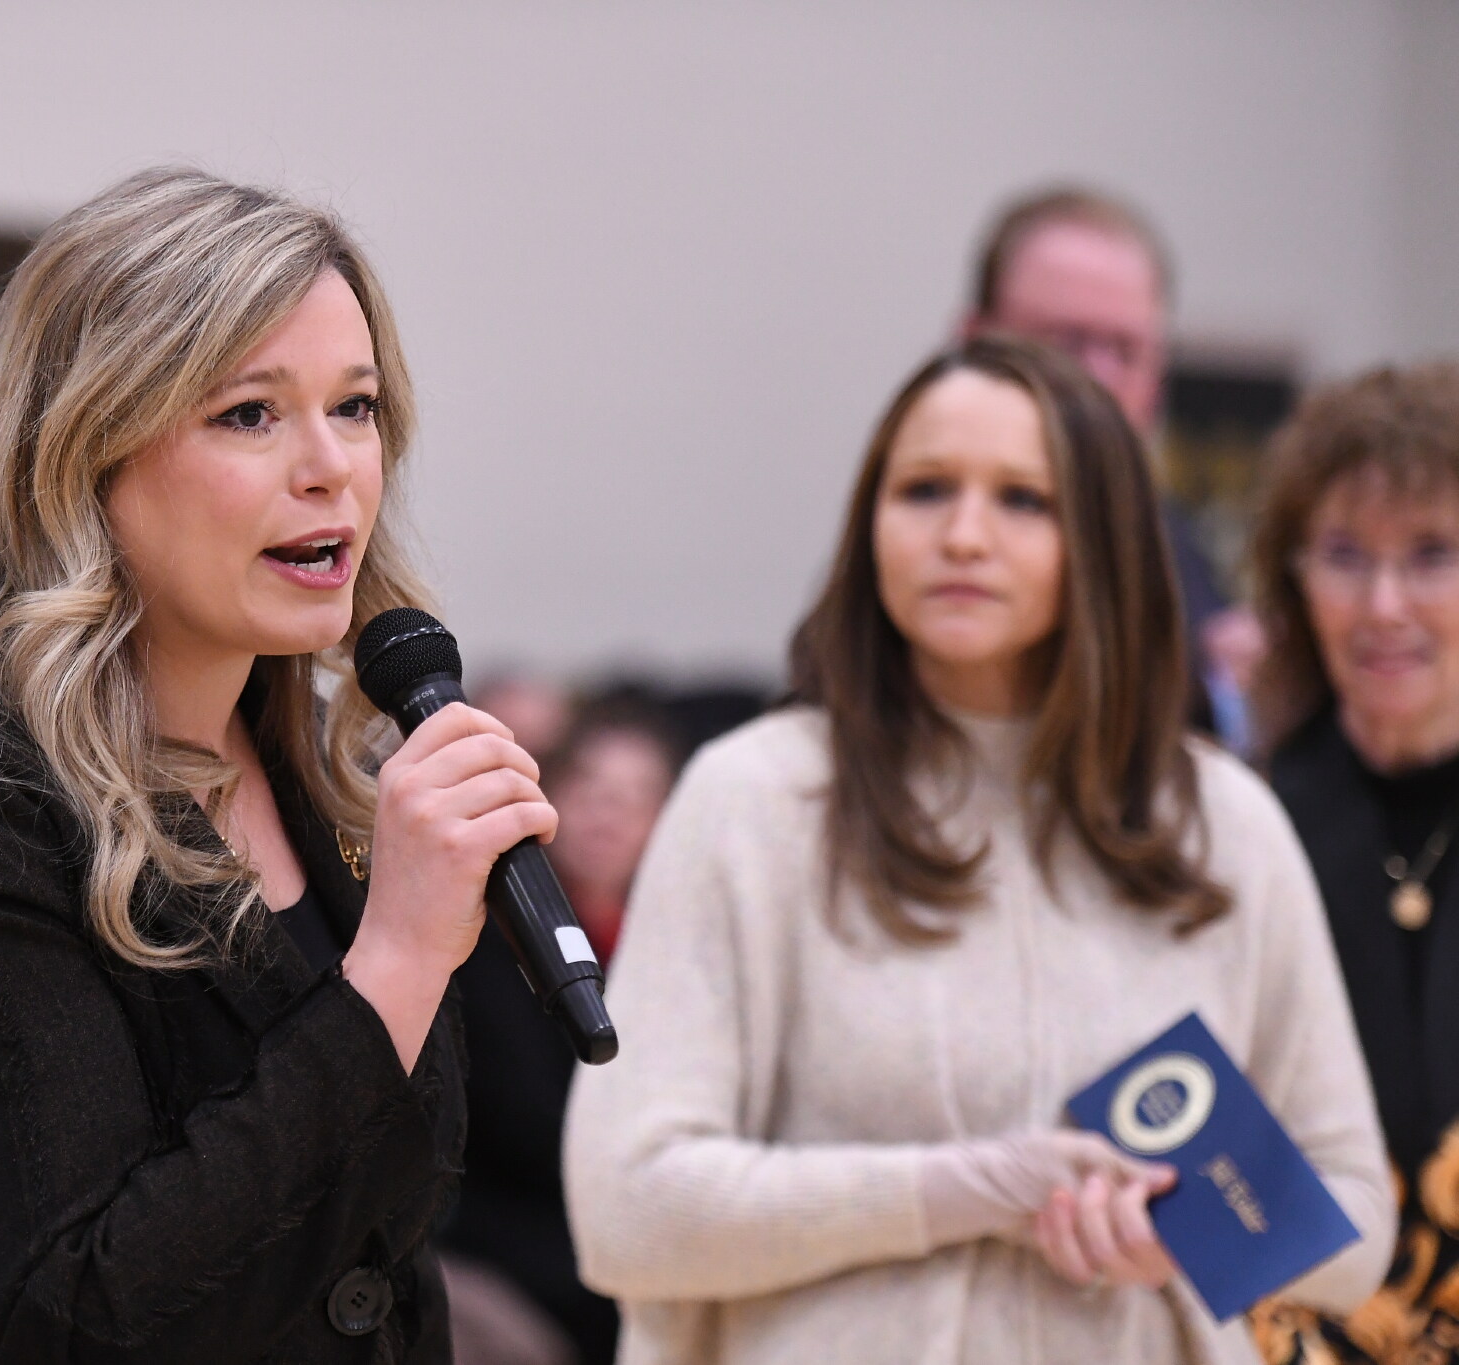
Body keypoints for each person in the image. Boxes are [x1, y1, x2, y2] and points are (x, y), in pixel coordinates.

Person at [0, 167, 555, 1363]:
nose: (330, 465)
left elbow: (371, 1260)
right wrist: (394, 961)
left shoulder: (314, 762)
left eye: (355, 406)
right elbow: (71, 1316)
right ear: (85, 449)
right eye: (249, 414)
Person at [563, 336, 1394, 1363]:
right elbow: (625, 1208)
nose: (962, 535)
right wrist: (962, 1190)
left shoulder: (1223, 822)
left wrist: (1184, 1230)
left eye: (1022, 500)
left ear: (1102, 536)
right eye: (923, 490)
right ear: (869, 521)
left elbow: (1353, 1229)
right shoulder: (752, 798)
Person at [1247, 362, 1459, 1363]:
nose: (1382, 605)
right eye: (1343, 556)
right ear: (1292, 579)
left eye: (1431, 555)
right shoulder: (1239, 830)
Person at [961, 185, 1265, 745]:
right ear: (975, 341)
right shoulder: (929, 525)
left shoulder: (1171, 537)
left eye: (1125, 350)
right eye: (1066, 341)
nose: (1097, 379)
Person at [444, 697, 684, 1365]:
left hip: (630, 1243)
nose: (609, 814)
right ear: (550, 797)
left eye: (635, 798)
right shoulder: (485, 936)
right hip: (509, 1255)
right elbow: (520, 1117)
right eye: (592, 788)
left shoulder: (672, 950)